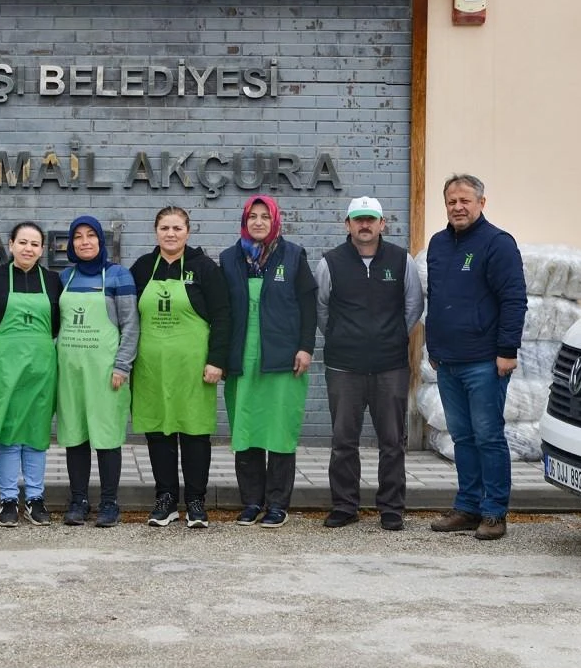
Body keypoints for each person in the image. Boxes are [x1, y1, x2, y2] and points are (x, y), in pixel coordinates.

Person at [426, 174, 526, 541]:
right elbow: (434, 300)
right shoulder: (438, 244)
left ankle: (494, 512)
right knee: (462, 437)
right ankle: (467, 507)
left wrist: (506, 351)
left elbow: (514, 299)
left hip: (485, 361)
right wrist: (434, 349)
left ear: (482, 203)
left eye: (465, 200)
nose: (458, 207)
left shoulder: (497, 244)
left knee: (488, 436)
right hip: (448, 361)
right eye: (452, 201)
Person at [315, 196, 424, 532]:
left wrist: (389, 336)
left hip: (390, 366)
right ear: (347, 225)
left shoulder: (400, 260)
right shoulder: (330, 262)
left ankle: (391, 508)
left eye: (371, 219)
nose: (365, 225)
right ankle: (345, 506)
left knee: (392, 440)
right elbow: (322, 310)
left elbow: (413, 306)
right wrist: (343, 337)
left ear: (382, 224)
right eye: (358, 219)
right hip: (344, 366)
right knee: (344, 440)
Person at [220, 195, 317, 529]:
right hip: (242, 360)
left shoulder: (292, 255)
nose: (258, 222)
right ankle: (250, 502)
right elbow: (222, 312)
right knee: (245, 432)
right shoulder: (229, 258)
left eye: (265, 216)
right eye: (252, 216)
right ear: (244, 221)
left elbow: (309, 305)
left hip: (283, 359)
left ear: (275, 220)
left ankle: (277, 504)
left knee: (279, 433)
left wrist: (306, 347)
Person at [129, 207, 230, 529]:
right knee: (158, 431)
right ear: (155, 231)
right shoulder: (143, 268)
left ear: (188, 232)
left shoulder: (204, 268)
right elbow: (128, 317)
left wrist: (217, 360)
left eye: (176, 228)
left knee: (194, 433)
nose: (170, 234)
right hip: (151, 366)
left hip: (194, 366)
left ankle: (196, 501)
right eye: (164, 228)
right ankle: (166, 499)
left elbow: (224, 316)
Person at [56, 215, 138, 527]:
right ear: (71, 244)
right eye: (78, 236)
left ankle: (108, 503)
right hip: (71, 372)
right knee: (75, 436)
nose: (85, 241)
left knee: (106, 437)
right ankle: (78, 500)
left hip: (107, 372)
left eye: (91, 235)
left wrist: (122, 365)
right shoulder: (64, 277)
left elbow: (131, 326)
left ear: (101, 242)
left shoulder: (118, 276)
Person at [0, 222, 62, 527]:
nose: (28, 248)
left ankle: (36, 498)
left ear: (42, 249)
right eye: (23, 242)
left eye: (35, 244)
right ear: (10, 245)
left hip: (41, 366)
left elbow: (56, 326)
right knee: (9, 431)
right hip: (4, 365)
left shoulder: (53, 281)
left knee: (38, 431)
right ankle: (9, 499)